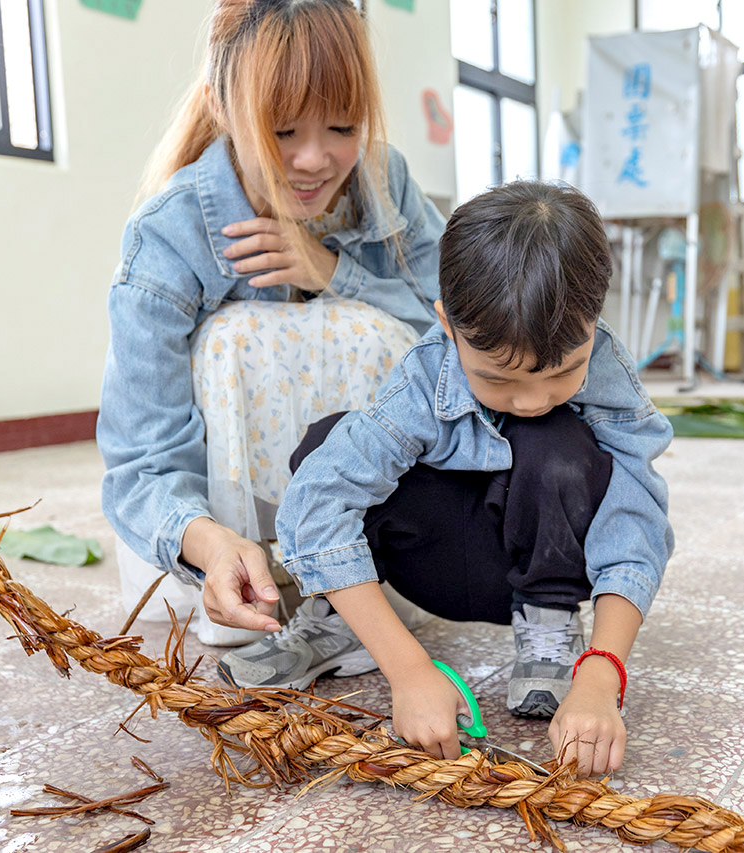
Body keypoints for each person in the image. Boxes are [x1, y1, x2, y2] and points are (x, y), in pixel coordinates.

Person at [219, 182, 674, 777]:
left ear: (594, 321)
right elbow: (316, 507)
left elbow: (634, 522)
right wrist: (408, 670)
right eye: (498, 379)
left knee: (557, 441)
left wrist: (601, 674)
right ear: (447, 325)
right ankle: (342, 623)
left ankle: (549, 627)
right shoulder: (422, 381)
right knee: (327, 444)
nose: (533, 398)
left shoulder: (611, 377)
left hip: (534, 571)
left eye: (565, 372)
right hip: (429, 566)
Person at [97, 0, 445, 647]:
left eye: (343, 126)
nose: (315, 159)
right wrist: (210, 542)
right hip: (214, 540)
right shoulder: (169, 237)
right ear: (222, 108)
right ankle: (264, 574)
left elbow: (462, 326)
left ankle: (362, 578)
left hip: (370, 520)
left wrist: (335, 271)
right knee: (237, 336)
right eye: (283, 132)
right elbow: (140, 457)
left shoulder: (382, 178)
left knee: (369, 325)